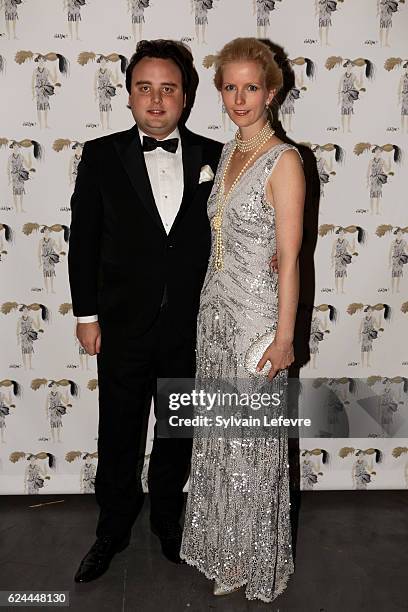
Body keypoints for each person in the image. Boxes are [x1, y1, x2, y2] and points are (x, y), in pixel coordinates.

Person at [67, 39, 225, 583]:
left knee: (177, 430)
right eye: (144, 89)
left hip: (189, 326)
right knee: (118, 431)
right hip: (120, 326)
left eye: (168, 89)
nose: (156, 101)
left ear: (186, 96)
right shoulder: (100, 154)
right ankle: (111, 527)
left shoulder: (216, 157)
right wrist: (86, 317)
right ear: (129, 95)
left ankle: (166, 520)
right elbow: (83, 240)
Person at [180, 38, 305, 603]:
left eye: (250, 87)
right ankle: (224, 552)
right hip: (215, 315)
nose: (238, 98)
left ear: (271, 91)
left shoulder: (285, 161)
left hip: (258, 320)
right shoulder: (229, 153)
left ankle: (257, 560)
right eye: (229, 87)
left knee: (252, 444)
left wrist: (284, 338)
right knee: (219, 438)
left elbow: (290, 257)